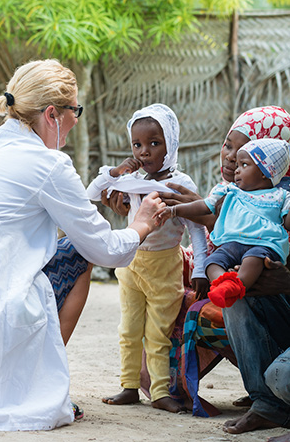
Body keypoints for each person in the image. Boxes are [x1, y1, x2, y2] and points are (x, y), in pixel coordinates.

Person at [0, 59, 164, 432]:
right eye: (74, 110)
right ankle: (34, 385)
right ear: (52, 114)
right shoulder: (48, 164)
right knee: (78, 253)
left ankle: (4, 376)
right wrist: (141, 225)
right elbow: (104, 249)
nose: (76, 120)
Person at [102, 105, 290, 429]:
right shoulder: (231, 194)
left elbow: (237, 238)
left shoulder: (280, 200)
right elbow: (213, 241)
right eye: (228, 146)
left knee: (277, 370)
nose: (230, 158)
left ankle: (270, 393)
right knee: (222, 292)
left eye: (245, 152)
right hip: (234, 285)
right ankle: (263, 397)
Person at [87, 104, 207, 413]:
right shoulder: (131, 180)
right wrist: (115, 173)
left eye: (154, 143)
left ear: (171, 143)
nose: (144, 151)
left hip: (165, 268)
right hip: (131, 264)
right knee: (128, 330)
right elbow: (91, 193)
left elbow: (196, 229)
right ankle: (129, 386)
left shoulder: (180, 185)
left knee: (158, 333)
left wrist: (201, 269)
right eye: (137, 144)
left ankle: (159, 392)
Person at [155, 137, 290, 308]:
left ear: (265, 172)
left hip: (262, 244)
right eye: (238, 165)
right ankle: (223, 285)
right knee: (212, 262)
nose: (237, 170)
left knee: (253, 261)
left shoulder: (280, 195)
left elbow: (287, 223)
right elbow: (204, 206)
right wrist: (175, 210)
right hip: (231, 244)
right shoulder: (229, 190)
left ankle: (237, 286)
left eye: (244, 165)